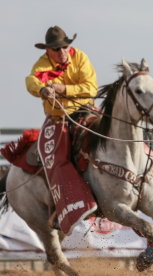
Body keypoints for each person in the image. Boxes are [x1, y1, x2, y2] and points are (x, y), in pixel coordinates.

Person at [25, 26, 98, 234]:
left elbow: (91, 87)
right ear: (47, 50)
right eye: (56, 49)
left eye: (65, 47)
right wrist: (42, 89)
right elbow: (31, 80)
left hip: (85, 111)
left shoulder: (81, 58)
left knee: (115, 132)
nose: (62, 52)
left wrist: (63, 89)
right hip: (60, 119)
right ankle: (63, 204)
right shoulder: (41, 66)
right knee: (56, 157)